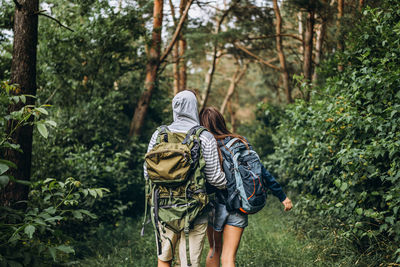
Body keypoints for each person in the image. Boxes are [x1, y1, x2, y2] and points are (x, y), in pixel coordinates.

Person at [199, 106, 293, 267]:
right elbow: (261, 171)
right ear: (222, 121)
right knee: (228, 258)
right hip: (239, 204)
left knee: (214, 249)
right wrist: (282, 196)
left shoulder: (207, 146)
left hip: (216, 206)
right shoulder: (240, 141)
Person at [144, 91, 226, 267]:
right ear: (194, 108)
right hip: (195, 210)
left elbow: (146, 173)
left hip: (163, 208)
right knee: (188, 263)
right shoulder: (204, 136)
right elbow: (215, 179)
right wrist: (228, 182)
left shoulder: (158, 134)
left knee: (164, 258)